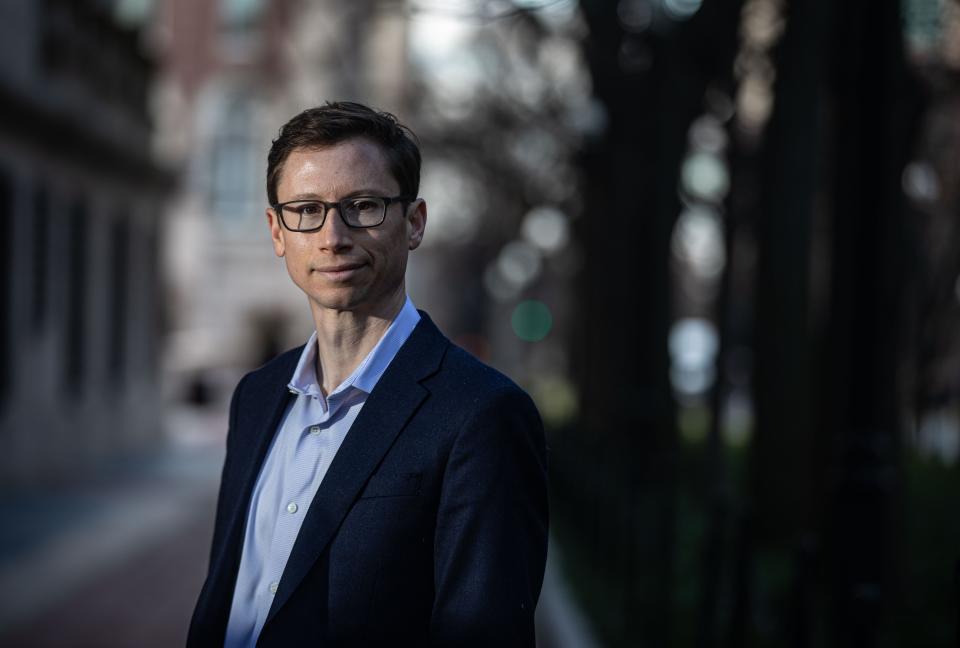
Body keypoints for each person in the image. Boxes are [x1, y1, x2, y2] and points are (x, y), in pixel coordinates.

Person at [186, 101, 549, 647]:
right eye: (306, 209)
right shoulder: (256, 396)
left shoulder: (482, 415)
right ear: (277, 231)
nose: (333, 236)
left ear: (415, 223)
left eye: (363, 206)